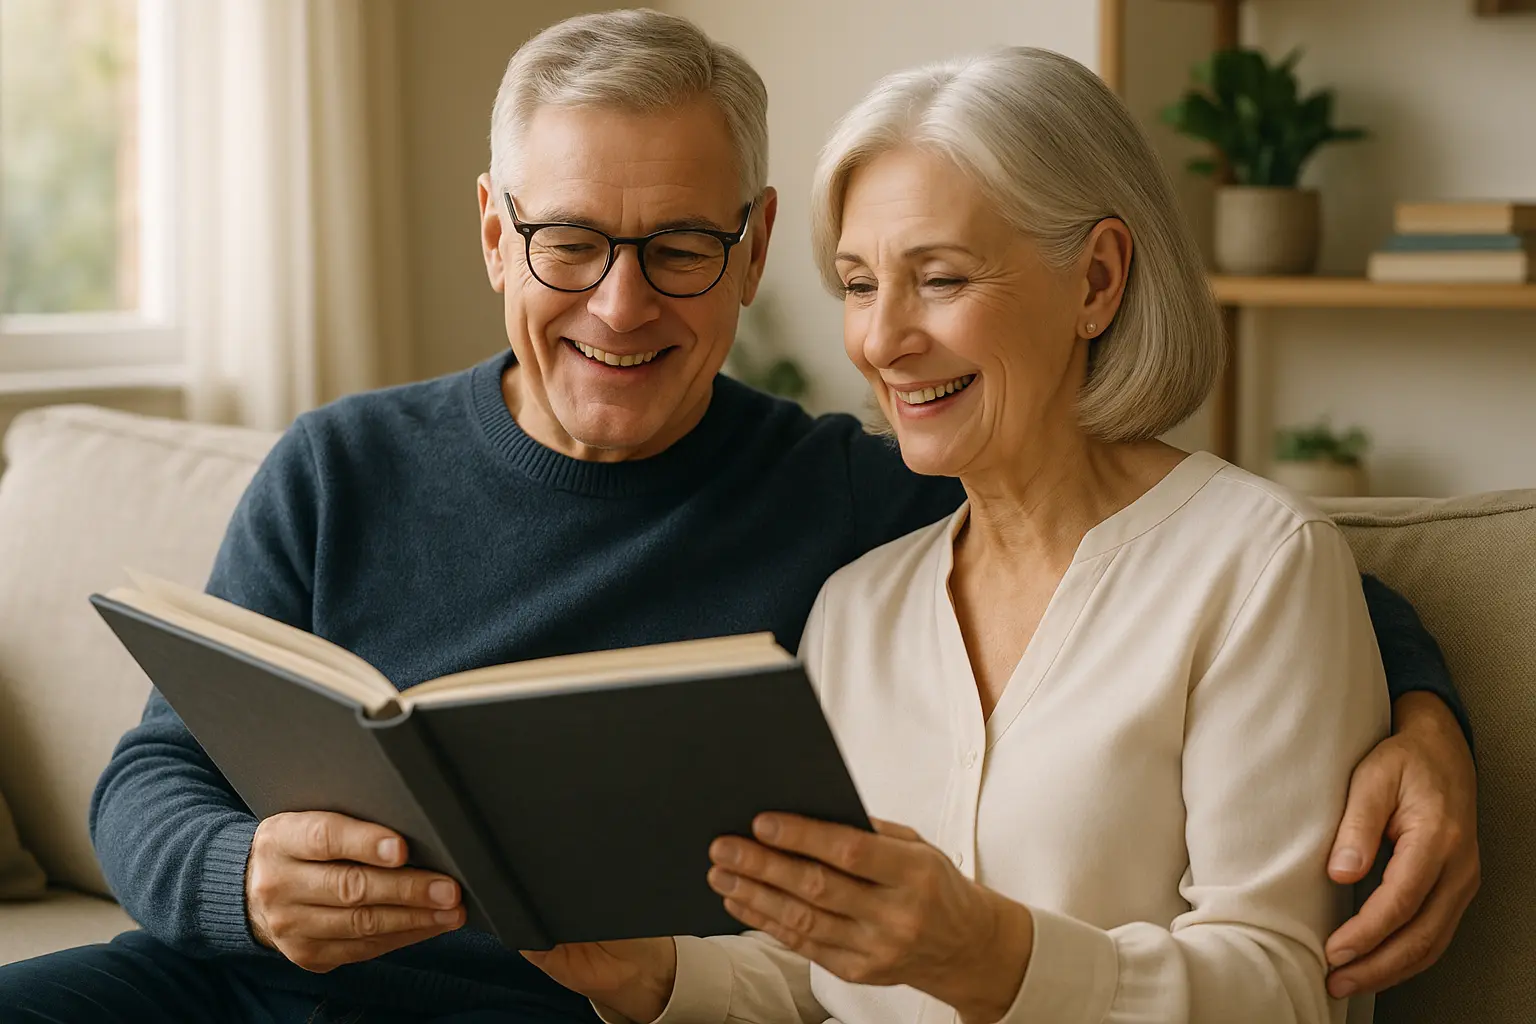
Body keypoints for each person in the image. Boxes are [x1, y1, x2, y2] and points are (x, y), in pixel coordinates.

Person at [0, 10, 1477, 1024]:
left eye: (680, 246)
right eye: (569, 241)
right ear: (492, 233)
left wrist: (1418, 703)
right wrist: (235, 882)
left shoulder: (852, 496)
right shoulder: (341, 468)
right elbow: (151, 779)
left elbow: (1182, 548)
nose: (619, 303)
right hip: (242, 983)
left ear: (752, 243)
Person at [523, 45, 1445, 1024]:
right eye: (860, 285)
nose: (882, 341)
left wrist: (990, 954)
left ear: (1096, 280)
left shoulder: (1254, 565)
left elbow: (1283, 990)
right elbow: (821, 982)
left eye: (941, 278)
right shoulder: (860, 604)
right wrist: (650, 974)